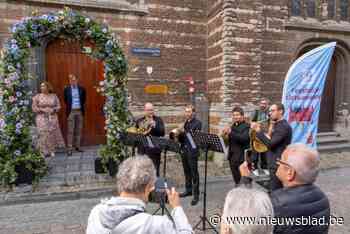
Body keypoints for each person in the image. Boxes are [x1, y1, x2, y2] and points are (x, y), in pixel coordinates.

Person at [86, 156, 193, 234]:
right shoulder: (155, 225)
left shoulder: (96, 213)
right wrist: (177, 208)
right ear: (148, 188)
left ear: (121, 181)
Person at [239, 143, 330, 234]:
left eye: (281, 161)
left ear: (290, 173)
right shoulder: (322, 198)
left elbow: (243, 218)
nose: (277, 163)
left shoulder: (276, 203)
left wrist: (245, 180)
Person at [251, 103, 292, 191]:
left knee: (276, 191)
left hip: (277, 163)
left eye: (272, 111)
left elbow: (270, 144)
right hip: (273, 162)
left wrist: (258, 131)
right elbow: (270, 138)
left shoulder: (283, 127)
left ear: (280, 111)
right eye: (269, 111)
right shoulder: (277, 124)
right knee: (274, 189)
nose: (270, 113)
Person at [176, 105, 202, 206]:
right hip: (184, 150)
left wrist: (183, 131)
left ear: (193, 113)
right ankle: (188, 190)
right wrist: (178, 134)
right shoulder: (185, 122)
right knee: (186, 172)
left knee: (194, 173)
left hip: (192, 151)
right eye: (186, 112)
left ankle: (196, 195)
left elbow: (193, 136)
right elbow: (183, 138)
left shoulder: (198, 123)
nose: (187, 113)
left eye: (189, 112)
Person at [32, 82, 65, 158]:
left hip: (52, 117)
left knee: (51, 133)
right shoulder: (37, 96)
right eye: (41, 86)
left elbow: (58, 106)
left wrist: (54, 110)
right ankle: (43, 151)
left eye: (43, 86)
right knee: (43, 133)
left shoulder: (54, 96)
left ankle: (52, 150)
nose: (42, 88)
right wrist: (41, 110)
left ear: (48, 87)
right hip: (41, 117)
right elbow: (34, 107)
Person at [221, 106, 250, 185]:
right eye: (233, 115)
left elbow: (244, 139)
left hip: (241, 157)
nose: (235, 117)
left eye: (237, 115)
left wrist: (231, 132)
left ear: (242, 116)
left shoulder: (247, 126)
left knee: (244, 181)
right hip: (232, 156)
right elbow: (229, 141)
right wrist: (225, 136)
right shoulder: (233, 125)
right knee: (236, 179)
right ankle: (237, 193)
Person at [136, 103, 165, 177]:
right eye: (148, 110)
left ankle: (155, 188)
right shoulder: (140, 121)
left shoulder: (158, 120)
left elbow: (162, 132)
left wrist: (154, 125)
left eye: (152, 110)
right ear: (145, 110)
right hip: (143, 151)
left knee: (155, 173)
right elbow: (136, 134)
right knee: (143, 174)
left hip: (155, 151)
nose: (150, 112)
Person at [63, 74, 86, 156]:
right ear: (69, 81)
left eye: (74, 80)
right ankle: (69, 148)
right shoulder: (66, 89)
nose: (72, 81)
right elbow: (65, 100)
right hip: (71, 112)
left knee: (78, 129)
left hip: (79, 111)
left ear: (77, 80)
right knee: (70, 131)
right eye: (71, 80)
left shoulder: (82, 89)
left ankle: (77, 146)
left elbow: (83, 100)